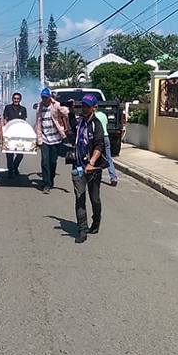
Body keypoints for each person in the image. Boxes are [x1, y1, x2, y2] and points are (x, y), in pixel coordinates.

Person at [71, 94, 107, 244]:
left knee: (95, 199)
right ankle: (82, 229)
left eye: (87, 106)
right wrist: (70, 110)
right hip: (78, 165)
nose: (84, 108)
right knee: (80, 197)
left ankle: (96, 220)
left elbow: (99, 145)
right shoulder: (79, 122)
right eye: (83, 106)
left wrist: (91, 162)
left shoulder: (96, 124)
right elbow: (71, 127)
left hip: (93, 168)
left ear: (94, 107)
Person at [34, 87, 69, 194]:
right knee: (45, 161)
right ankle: (46, 184)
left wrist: (64, 108)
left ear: (50, 97)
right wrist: (36, 136)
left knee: (52, 162)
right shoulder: (39, 107)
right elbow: (38, 122)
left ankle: (51, 177)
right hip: (44, 138)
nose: (44, 99)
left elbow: (66, 112)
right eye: (43, 97)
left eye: (46, 97)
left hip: (56, 139)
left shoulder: (55, 105)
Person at [2, 92, 27, 177]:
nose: (16, 100)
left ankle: (14, 167)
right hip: (9, 133)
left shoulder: (23, 109)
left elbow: (24, 121)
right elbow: (5, 120)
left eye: (18, 99)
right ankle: (10, 171)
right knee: (9, 153)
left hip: (19, 134)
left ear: (20, 100)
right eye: (15, 98)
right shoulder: (8, 108)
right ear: (12, 99)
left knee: (20, 154)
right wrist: (4, 131)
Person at [93, 104, 118, 186]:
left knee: (96, 157)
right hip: (106, 136)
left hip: (98, 138)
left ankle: (96, 175)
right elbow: (106, 124)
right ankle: (113, 177)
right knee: (108, 158)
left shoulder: (93, 116)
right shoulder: (103, 115)